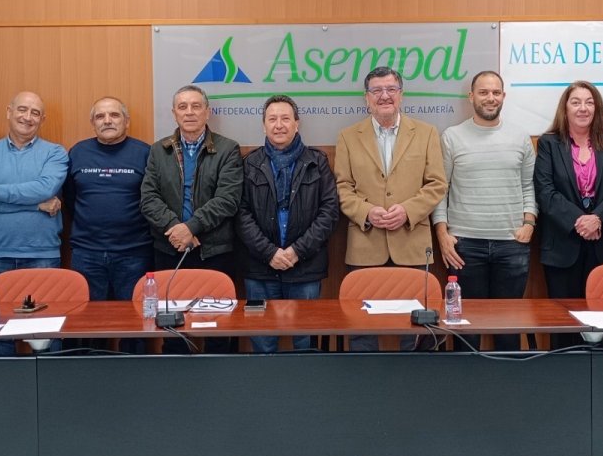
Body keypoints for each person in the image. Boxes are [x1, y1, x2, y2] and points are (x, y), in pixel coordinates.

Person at [334, 66, 447, 351]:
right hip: (365, 245)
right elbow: (342, 187)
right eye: (377, 90)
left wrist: (408, 211)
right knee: (361, 326)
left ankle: (413, 377)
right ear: (366, 98)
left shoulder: (426, 133)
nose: (384, 96)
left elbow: (437, 184)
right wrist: (366, 212)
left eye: (390, 89)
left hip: (411, 243)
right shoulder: (348, 136)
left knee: (416, 327)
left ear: (401, 94)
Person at [434, 71, 535, 351]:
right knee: (465, 327)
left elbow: (529, 185)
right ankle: (467, 379)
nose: (490, 98)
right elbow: (441, 189)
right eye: (483, 92)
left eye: (496, 92)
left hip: (512, 244)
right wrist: (442, 233)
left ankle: (508, 378)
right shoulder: (452, 137)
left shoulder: (520, 137)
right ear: (471, 97)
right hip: (464, 246)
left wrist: (529, 222)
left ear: (503, 96)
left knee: (508, 328)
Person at [140, 85, 242, 353]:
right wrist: (176, 229)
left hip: (214, 251)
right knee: (172, 326)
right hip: (169, 249)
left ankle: (218, 376)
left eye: (196, 106)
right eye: (182, 107)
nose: (189, 112)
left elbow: (228, 199)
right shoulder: (158, 150)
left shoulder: (228, 149)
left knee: (218, 326)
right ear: (174, 113)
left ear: (207, 112)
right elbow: (148, 198)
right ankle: (176, 375)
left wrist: (191, 228)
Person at [237, 95, 339, 353]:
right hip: (260, 268)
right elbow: (241, 214)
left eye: (285, 118)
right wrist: (269, 252)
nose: (279, 125)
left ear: (297, 123)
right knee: (262, 341)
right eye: (272, 119)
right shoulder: (250, 163)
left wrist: (296, 251)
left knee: (305, 342)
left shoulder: (317, 162)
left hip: (305, 266)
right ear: (264, 126)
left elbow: (329, 212)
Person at [0, 91, 68, 356]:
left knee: (47, 332)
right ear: (9, 112)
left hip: (43, 253)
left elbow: (45, 187)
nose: (28, 117)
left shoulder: (55, 153)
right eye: (22, 109)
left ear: (42, 119)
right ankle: (3, 382)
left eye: (35, 113)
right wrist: (36, 204)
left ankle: (49, 381)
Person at [534, 81, 603, 348]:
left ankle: (597, 372)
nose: (583, 108)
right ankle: (564, 372)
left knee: (599, 322)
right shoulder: (549, 144)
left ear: (597, 108)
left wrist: (598, 219)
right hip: (562, 246)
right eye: (576, 102)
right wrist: (580, 221)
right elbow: (545, 191)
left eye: (589, 102)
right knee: (563, 322)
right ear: (565, 108)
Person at [64, 97, 152, 302]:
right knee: (87, 317)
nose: (107, 121)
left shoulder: (145, 152)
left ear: (126, 121)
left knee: (135, 316)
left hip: (134, 252)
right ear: (93, 123)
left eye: (114, 115)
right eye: (100, 116)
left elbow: (153, 199)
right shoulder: (78, 152)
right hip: (86, 252)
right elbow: (70, 197)